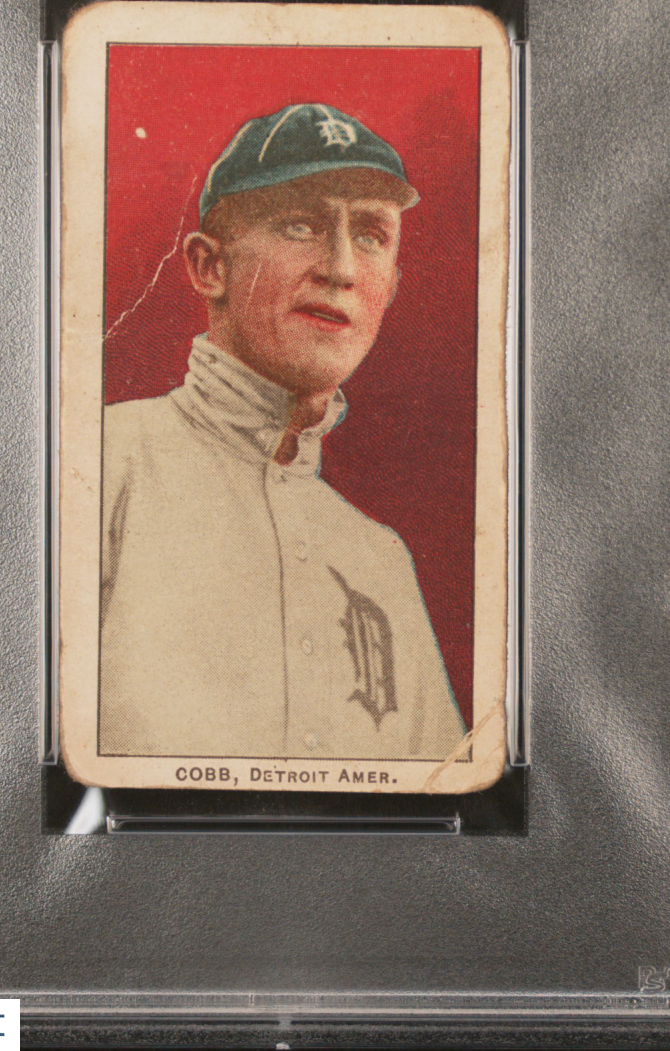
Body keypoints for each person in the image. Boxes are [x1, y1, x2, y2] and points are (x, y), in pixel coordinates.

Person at [99, 102, 466, 763]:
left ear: (390, 288)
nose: (340, 269)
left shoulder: (380, 561)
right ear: (209, 267)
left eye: (371, 235)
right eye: (300, 224)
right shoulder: (101, 464)